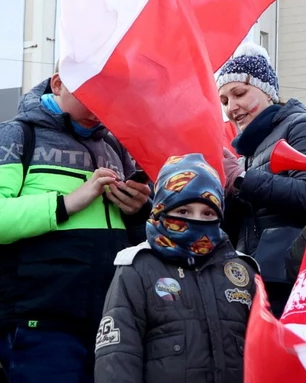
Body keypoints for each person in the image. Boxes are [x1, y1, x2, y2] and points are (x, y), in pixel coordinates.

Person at [0, 73, 151, 383]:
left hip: (112, 319)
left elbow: (138, 238)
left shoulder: (115, 145)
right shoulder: (16, 134)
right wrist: (66, 203)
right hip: (40, 323)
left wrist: (138, 212)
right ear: (58, 83)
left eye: (108, 97)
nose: (99, 107)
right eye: (91, 93)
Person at [94, 154, 257, 383]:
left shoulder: (242, 271)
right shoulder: (137, 269)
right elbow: (117, 358)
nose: (196, 220)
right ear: (161, 210)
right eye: (183, 212)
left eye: (208, 213)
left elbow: (264, 355)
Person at [216, 43, 306, 316]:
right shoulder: (251, 148)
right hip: (261, 277)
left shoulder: (301, 126)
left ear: (268, 91)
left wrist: (242, 180)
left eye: (239, 93)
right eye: (224, 100)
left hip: (294, 279)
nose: (231, 107)